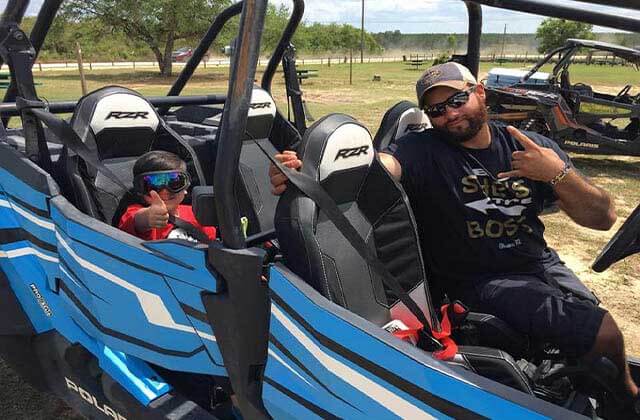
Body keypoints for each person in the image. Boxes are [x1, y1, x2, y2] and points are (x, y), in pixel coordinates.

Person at [269, 61, 639, 409]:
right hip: (479, 280)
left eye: (457, 101)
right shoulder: (422, 149)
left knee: (593, 322)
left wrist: (556, 173)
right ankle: (626, 405)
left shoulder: (528, 147)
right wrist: (307, 170)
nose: (449, 114)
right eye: (436, 110)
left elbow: (603, 217)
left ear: (480, 92)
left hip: (538, 263)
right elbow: (380, 167)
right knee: (605, 333)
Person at [114, 150, 216, 242]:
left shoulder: (197, 213)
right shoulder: (134, 211)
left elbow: (211, 244)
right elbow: (138, 220)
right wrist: (149, 217)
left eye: (175, 182)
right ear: (140, 191)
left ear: (185, 188)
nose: (165, 191)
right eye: (153, 185)